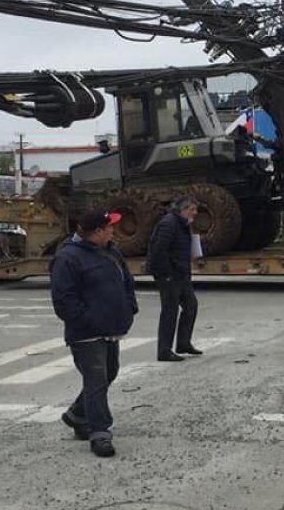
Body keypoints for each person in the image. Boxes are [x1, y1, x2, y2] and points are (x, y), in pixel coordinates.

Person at [50, 209, 138, 457]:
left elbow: (126, 281)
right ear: (96, 232)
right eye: (109, 227)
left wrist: (129, 306)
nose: (113, 230)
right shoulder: (68, 258)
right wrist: (87, 320)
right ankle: (100, 432)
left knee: (110, 372)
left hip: (111, 329)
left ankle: (77, 414)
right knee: (96, 379)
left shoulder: (110, 250)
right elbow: (63, 300)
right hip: (86, 334)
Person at [148, 196, 203, 363]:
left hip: (181, 274)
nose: (195, 213)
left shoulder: (183, 224)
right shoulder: (169, 224)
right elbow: (158, 250)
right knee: (169, 312)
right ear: (184, 209)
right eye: (192, 209)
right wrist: (166, 274)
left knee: (191, 306)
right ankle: (164, 351)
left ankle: (183, 343)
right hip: (169, 276)